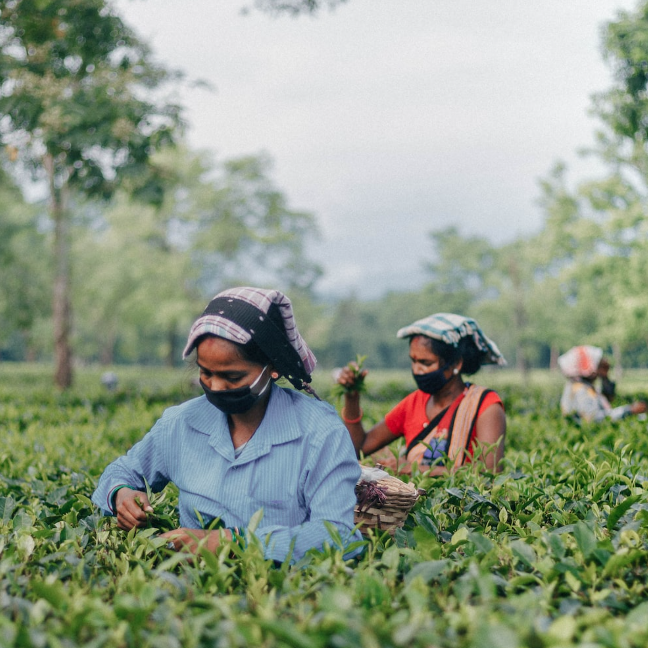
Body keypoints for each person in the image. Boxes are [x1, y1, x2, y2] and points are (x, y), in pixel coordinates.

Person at [92, 287, 362, 563]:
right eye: (205, 373)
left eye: (232, 376)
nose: (216, 387)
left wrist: (232, 542)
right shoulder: (180, 423)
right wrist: (120, 495)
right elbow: (121, 472)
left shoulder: (320, 433)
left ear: (273, 367)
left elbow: (340, 536)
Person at [336, 313, 507, 475]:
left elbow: (489, 473)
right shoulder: (414, 402)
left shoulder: (485, 405)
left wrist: (413, 468)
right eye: (413, 361)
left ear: (456, 363)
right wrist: (352, 397)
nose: (417, 370)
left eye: (426, 363)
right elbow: (360, 447)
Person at [558, 345, 647, 423]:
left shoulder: (584, 386)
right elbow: (594, 419)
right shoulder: (580, 389)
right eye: (598, 366)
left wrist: (605, 377)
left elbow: (608, 398)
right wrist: (629, 410)